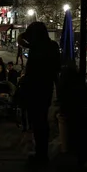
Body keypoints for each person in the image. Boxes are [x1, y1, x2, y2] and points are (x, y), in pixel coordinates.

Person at [18, 22, 60, 164]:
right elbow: (56, 70)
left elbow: (20, 38)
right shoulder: (52, 46)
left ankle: (40, 154)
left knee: (37, 122)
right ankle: (43, 152)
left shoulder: (36, 46)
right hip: (46, 89)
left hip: (34, 89)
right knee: (42, 121)